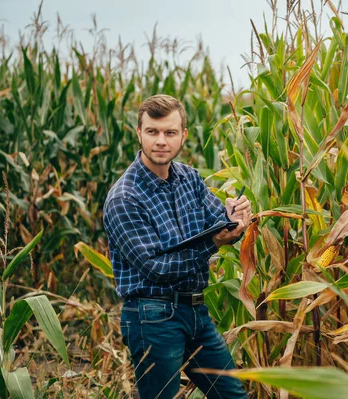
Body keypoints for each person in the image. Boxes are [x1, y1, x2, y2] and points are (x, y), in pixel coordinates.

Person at [103, 94, 251, 399]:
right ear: (139, 133)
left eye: (169, 133)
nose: (161, 141)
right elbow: (155, 269)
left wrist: (236, 218)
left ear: (183, 135)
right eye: (152, 132)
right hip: (153, 316)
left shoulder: (189, 179)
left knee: (233, 395)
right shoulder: (124, 198)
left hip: (196, 311)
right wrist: (213, 243)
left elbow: (218, 225)